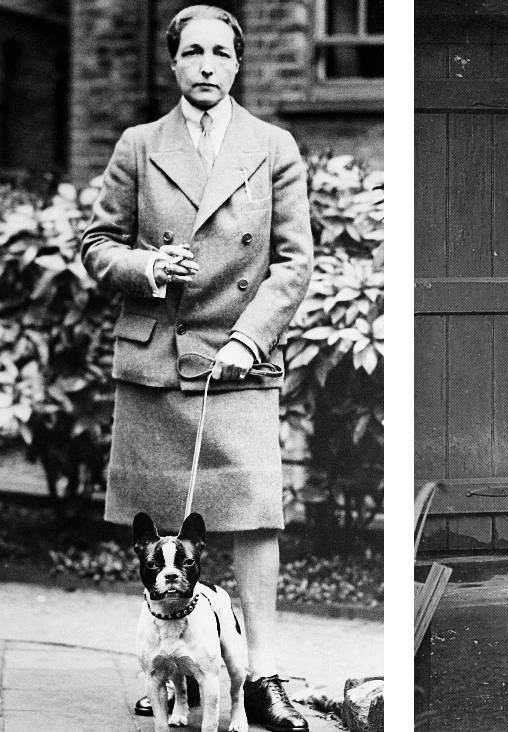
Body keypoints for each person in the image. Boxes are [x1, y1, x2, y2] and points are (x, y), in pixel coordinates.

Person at [80, 6, 313, 729]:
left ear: (238, 65)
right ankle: (165, 666)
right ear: (174, 64)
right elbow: (96, 243)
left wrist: (251, 338)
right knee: (157, 525)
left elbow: (295, 261)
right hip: (157, 357)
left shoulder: (274, 147)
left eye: (221, 53)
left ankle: (262, 677)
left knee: (253, 517)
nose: (208, 65)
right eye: (193, 53)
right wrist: (146, 265)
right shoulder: (138, 145)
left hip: (237, 358)